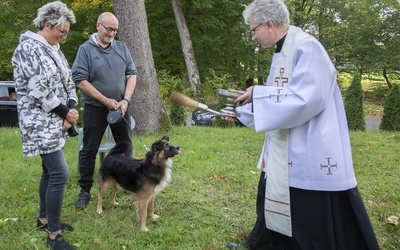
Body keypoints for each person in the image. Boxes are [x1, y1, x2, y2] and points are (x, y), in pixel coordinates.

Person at [223, 0, 380, 249]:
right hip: (286, 144)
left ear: (270, 24)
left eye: (253, 30)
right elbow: (280, 101)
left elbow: (305, 99)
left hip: (309, 145)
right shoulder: (283, 51)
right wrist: (243, 114)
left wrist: (259, 93)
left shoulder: (307, 48)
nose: (252, 37)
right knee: (270, 195)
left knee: (305, 212)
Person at [11, 1, 78, 249]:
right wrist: (67, 113)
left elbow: (68, 80)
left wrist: (70, 105)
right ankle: (53, 235)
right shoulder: (28, 49)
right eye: (62, 31)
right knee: (60, 173)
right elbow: (37, 90)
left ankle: (44, 218)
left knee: (49, 172)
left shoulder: (54, 48)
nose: (64, 37)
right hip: (39, 123)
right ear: (48, 25)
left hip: (58, 119)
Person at [71, 12, 138, 209]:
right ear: (98, 25)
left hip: (121, 107)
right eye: (108, 29)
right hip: (95, 108)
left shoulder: (121, 48)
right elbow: (80, 81)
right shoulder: (85, 50)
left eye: (115, 30)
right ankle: (85, 191)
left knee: (126, 146)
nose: (111, 33)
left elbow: (132, 74)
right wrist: (105, 100)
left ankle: (128, 183)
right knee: (89, 149)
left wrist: (125, 100)